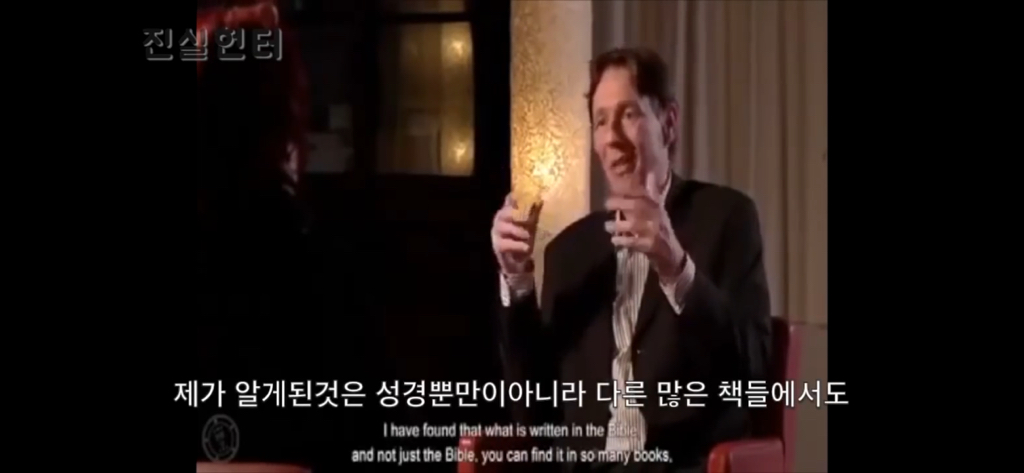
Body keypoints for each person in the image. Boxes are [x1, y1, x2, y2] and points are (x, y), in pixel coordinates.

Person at [490, 47, 772, 473]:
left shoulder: (726, 219)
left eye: (628, 114)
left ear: (669, 122)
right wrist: (516, 280)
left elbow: (752, 377)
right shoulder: (569, 252)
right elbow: (534, 412)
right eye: (600, 121)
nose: (611, 138)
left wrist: (675, 266)